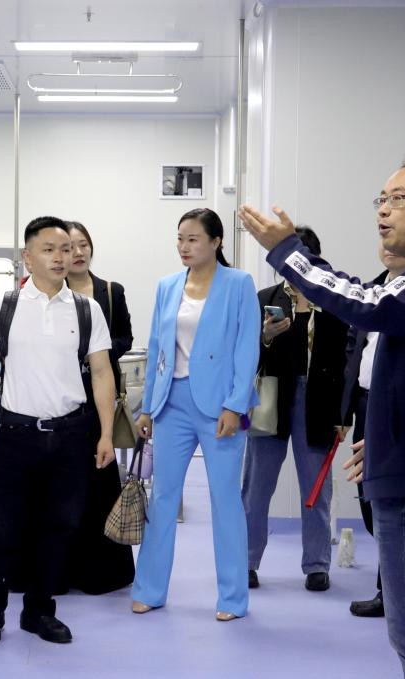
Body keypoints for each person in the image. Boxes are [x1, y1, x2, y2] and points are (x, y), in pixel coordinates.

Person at [239, 155, 405, 679]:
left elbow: (367, 304)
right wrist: (387, 434)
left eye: (399, 199)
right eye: (382, 199)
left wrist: (288, 253)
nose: (384, 210)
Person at [0, 216, 117, 646]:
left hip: (71, 435)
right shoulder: (5, 307)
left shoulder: (87, 309)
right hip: (14, 432)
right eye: (49, 249)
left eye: (66, 249)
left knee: (60, 525)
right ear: (28, 257)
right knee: (1, 526)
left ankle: (39, 610)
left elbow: (103, 373)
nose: (60, 257)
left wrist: (106, 433)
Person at [132, 208, 261, 621]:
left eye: (193, 239)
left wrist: (235, 405)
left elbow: (247, 347)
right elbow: (157, 348)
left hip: (220, 407)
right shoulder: (167, 286)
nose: (184, 247)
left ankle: (233, 599)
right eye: (180, 238)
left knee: (225, 500)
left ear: (216, 242)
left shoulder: (239, 284)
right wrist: (148, 406)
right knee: (163, 497)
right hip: (172, 403)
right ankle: (150, 589)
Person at [241, 226, 349, 593]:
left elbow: (346, 361)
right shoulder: (265, 298)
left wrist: (344, 415)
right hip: (271, 397)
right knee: (256, 487)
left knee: (316, 488)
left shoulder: (333, 302)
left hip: (318, 402)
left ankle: (317, 565)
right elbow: (245, 355)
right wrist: (266, 337)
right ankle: (246, 561)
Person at [62, 220, 136, 594]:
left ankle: (99, 571)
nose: (78, 252)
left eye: (83, 245)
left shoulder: (110, 291)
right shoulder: (50, 291)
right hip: (61, 395)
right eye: (70, 246)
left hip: (99, 396)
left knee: (98, 479)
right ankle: (60, 567)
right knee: (62, 483)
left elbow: (125, 336)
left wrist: (98, 354)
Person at [340, 243, 405, 618]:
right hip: (367, 405)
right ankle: (392, 588)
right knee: (369, 501)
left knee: (392, 502)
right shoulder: (371, 292)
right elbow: (354, 354)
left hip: (398, 407)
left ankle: (390, 593)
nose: (390, 248)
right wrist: (345, 412)